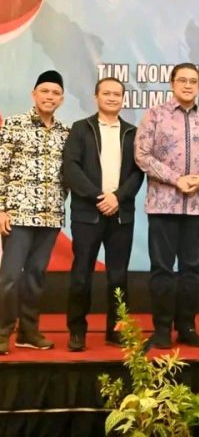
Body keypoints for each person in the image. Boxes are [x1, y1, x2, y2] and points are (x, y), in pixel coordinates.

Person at [135, 63, 199, 350]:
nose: (187, 85)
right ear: (172, 83)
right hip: (163, 205)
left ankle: (186, 326)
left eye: (193, 81)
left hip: (198, 207)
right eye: (182, 80)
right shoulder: (155, 115)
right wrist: (176, 179)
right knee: (162, 269)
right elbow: (142, 155)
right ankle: (161, 329)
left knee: (192, 269)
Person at [62, 77, 144, 351]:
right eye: (106, 93)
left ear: (123, 99)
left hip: (121, 214)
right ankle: (77, 331)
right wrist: (99, 197)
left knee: (118, 277)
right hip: (88, 214)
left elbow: (137, 173)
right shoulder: (80, 128)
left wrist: (117, 198)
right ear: (96, 97)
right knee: (81, 274)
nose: (111, 98)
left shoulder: (132, 132)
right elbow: (71, 168)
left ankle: (116, 331)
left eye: (117, 94)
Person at [0, 71, 69, 354]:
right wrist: (1, 209)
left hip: (50, 217)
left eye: (55, 93)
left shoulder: (66, 133)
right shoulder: (14, 125)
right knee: (10, 277)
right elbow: (0, 168)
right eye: (44, 91)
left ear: (61, 99)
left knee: (36, 275)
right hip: (17, 215)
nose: (49, 97)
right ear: (34, 94)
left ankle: (28, 332)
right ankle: (3, 332)